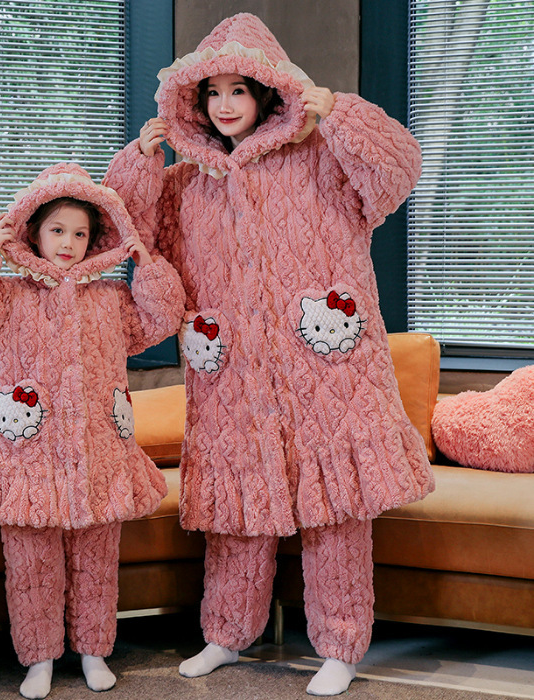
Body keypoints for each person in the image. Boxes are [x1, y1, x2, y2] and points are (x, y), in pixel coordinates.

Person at [104, 13, 434, 697]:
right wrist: (139, 162)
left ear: (266, 94)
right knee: (237, 510)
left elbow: (398, 170)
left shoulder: (321, 156)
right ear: (196, 102)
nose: (225, 105)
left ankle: (340, 644)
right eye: (212, 93)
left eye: (238, 91)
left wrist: (341, 112)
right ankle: (227, 634)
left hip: (326, 366)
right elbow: (128, 238)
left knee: (336, 507)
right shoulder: (186, 182)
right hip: (231, 374)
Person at [0, 162, 185, 699]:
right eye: (57, 230)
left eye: (80, 234)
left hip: (99, 453)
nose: (68, 243)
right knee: (31, 563)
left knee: (98, 559)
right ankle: (39, 658)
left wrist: (147, 264)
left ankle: (94, 650)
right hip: (26, 456)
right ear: (33, 232)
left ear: (95, 240)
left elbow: (160, 320)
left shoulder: (110, 299)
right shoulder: (6, 296)